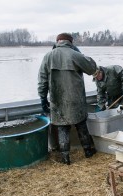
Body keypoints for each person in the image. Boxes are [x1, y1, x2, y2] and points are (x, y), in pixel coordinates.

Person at [38, 33, 97, 165]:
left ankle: (66, 158)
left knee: (62, 127)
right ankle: (88, 151)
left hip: (57, 99)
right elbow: (92, 68)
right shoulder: (75, 54)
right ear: (71, 42)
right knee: (81, 125)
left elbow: (42, 80)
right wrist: (79, 53)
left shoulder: (48, 56)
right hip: (76, 99)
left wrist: (42, 97)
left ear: (57, 41)